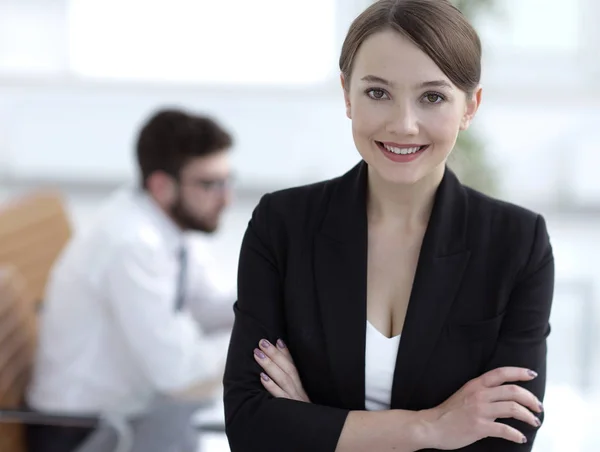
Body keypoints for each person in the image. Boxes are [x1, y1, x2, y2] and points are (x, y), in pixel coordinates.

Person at [222, 1, 554, 451]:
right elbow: (249, 425)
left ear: (470, 106)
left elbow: (505, 440)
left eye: (432, 97)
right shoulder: (282, 226)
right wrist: (430, 428)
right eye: (378, 93)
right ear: (347, 95)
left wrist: (312, 425)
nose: (403, 125)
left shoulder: (517, 243)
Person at [26, 108, 236, 452]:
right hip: (83, 432)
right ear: (161, 186)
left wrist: (270, 301)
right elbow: (178, 373)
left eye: (228, 180)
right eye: (210, 184)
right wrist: (257, 338)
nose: (226, 198)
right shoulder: (131, 244)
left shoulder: (168, 223)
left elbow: (203, 305)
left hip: (127, 409)